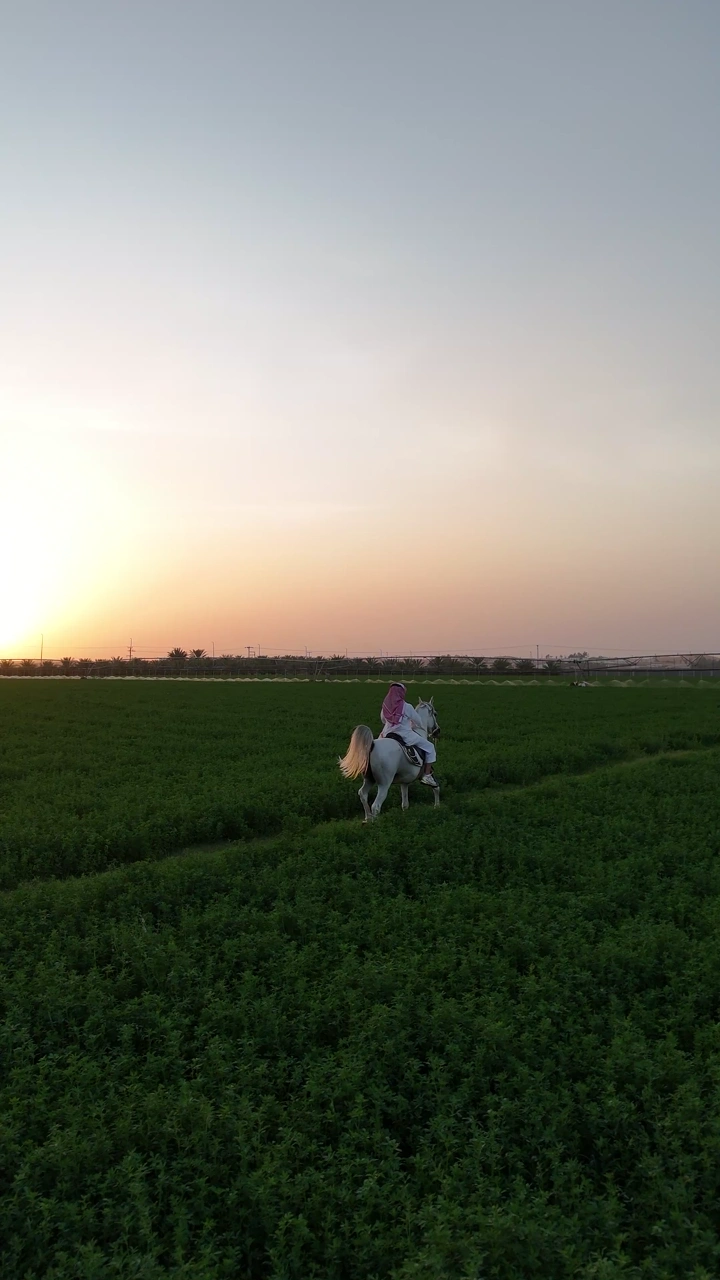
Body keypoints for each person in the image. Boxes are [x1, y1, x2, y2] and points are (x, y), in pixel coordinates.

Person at [379, 682, 438, 787]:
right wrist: (411, 723)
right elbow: (419, 722)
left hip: (387, 733)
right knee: (430, 747)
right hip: (404, 735)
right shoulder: (407, 706)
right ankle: (427, 775)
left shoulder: (385, 706)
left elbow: (383, 720)